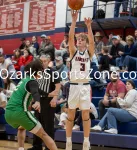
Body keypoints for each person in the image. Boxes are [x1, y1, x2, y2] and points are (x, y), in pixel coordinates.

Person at [5, 59, 58, 150]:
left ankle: (21, 149)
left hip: (8, 114)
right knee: (44, 134)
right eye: (41, 70)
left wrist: (48, 94)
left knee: (21, 128)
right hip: (20, 112)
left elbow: (37, 91)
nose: (42, 72)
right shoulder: (33, 82)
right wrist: (37, 102)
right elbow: (35, 93)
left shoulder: (25, 80)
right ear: (37, 71)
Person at [65, 11, 94, 150]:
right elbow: (70, 37)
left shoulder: (89, 53)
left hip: (85, 87)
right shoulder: (73, 51)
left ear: (86, 42)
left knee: (85, 114)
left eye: (82, 39)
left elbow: (92, 42)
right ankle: (68, 141)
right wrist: (74, 21)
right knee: (70, 115)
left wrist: (89, 27)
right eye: (79, 39)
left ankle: (86, 141)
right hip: (74, 86)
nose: (79, 41)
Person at [28, 55, 61, 150]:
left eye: (45, 61)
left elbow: (58, 86)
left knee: (48, 126)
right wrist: (31, 100)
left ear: (48, 61)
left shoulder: (52, 72)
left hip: (48, 101)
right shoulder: (36, 73)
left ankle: (48, 147)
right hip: (38, 101)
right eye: (41, 61)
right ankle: (36, 146)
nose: (43, 63)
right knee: (37, 124)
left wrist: (55, 98)